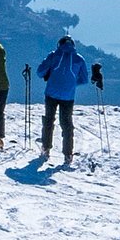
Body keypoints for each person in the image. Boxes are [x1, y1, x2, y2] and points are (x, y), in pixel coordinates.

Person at [37, 34, 89, 165]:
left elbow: (40, 72)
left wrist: (50, 75)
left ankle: (46, 148)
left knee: (49, 120)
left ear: (59, 44)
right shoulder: (79, 59)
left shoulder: (54, 55)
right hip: (68, 96)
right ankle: (68, 154)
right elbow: (84, 79)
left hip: (51, 93)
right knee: (66, 124)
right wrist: (71, 83)